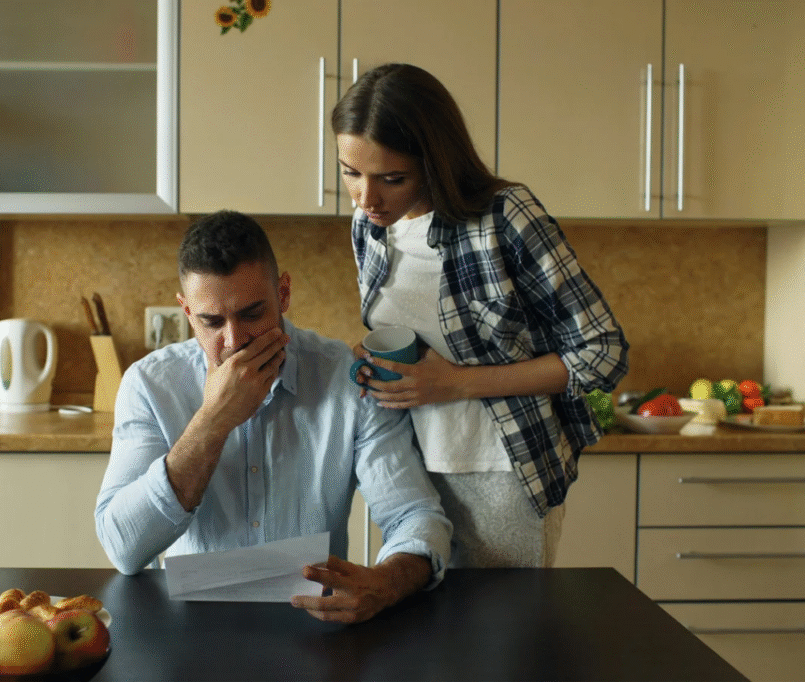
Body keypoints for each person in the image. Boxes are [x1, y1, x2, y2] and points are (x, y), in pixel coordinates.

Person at [331, 63, 629, 569]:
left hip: (500, 470)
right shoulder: (369, 227)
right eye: (350, 172)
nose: (366, 198)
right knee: (417, 640)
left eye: (392, 178)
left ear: (434, 160)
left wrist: (457, 384)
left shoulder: (504, 216)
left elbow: (602, 353)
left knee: (498, 640)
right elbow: (419, 338)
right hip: (408, 471)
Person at [95, 210, 452, 624]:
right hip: (189, 627)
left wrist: (386, 582)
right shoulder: (148, 385)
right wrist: (213, 420)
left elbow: (416, 516)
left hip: (316, 625)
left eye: (251, 314)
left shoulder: (346, 378)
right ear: (187, 312)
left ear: (283, 295)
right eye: (211, 321)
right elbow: (124, 547)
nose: (234, 341)